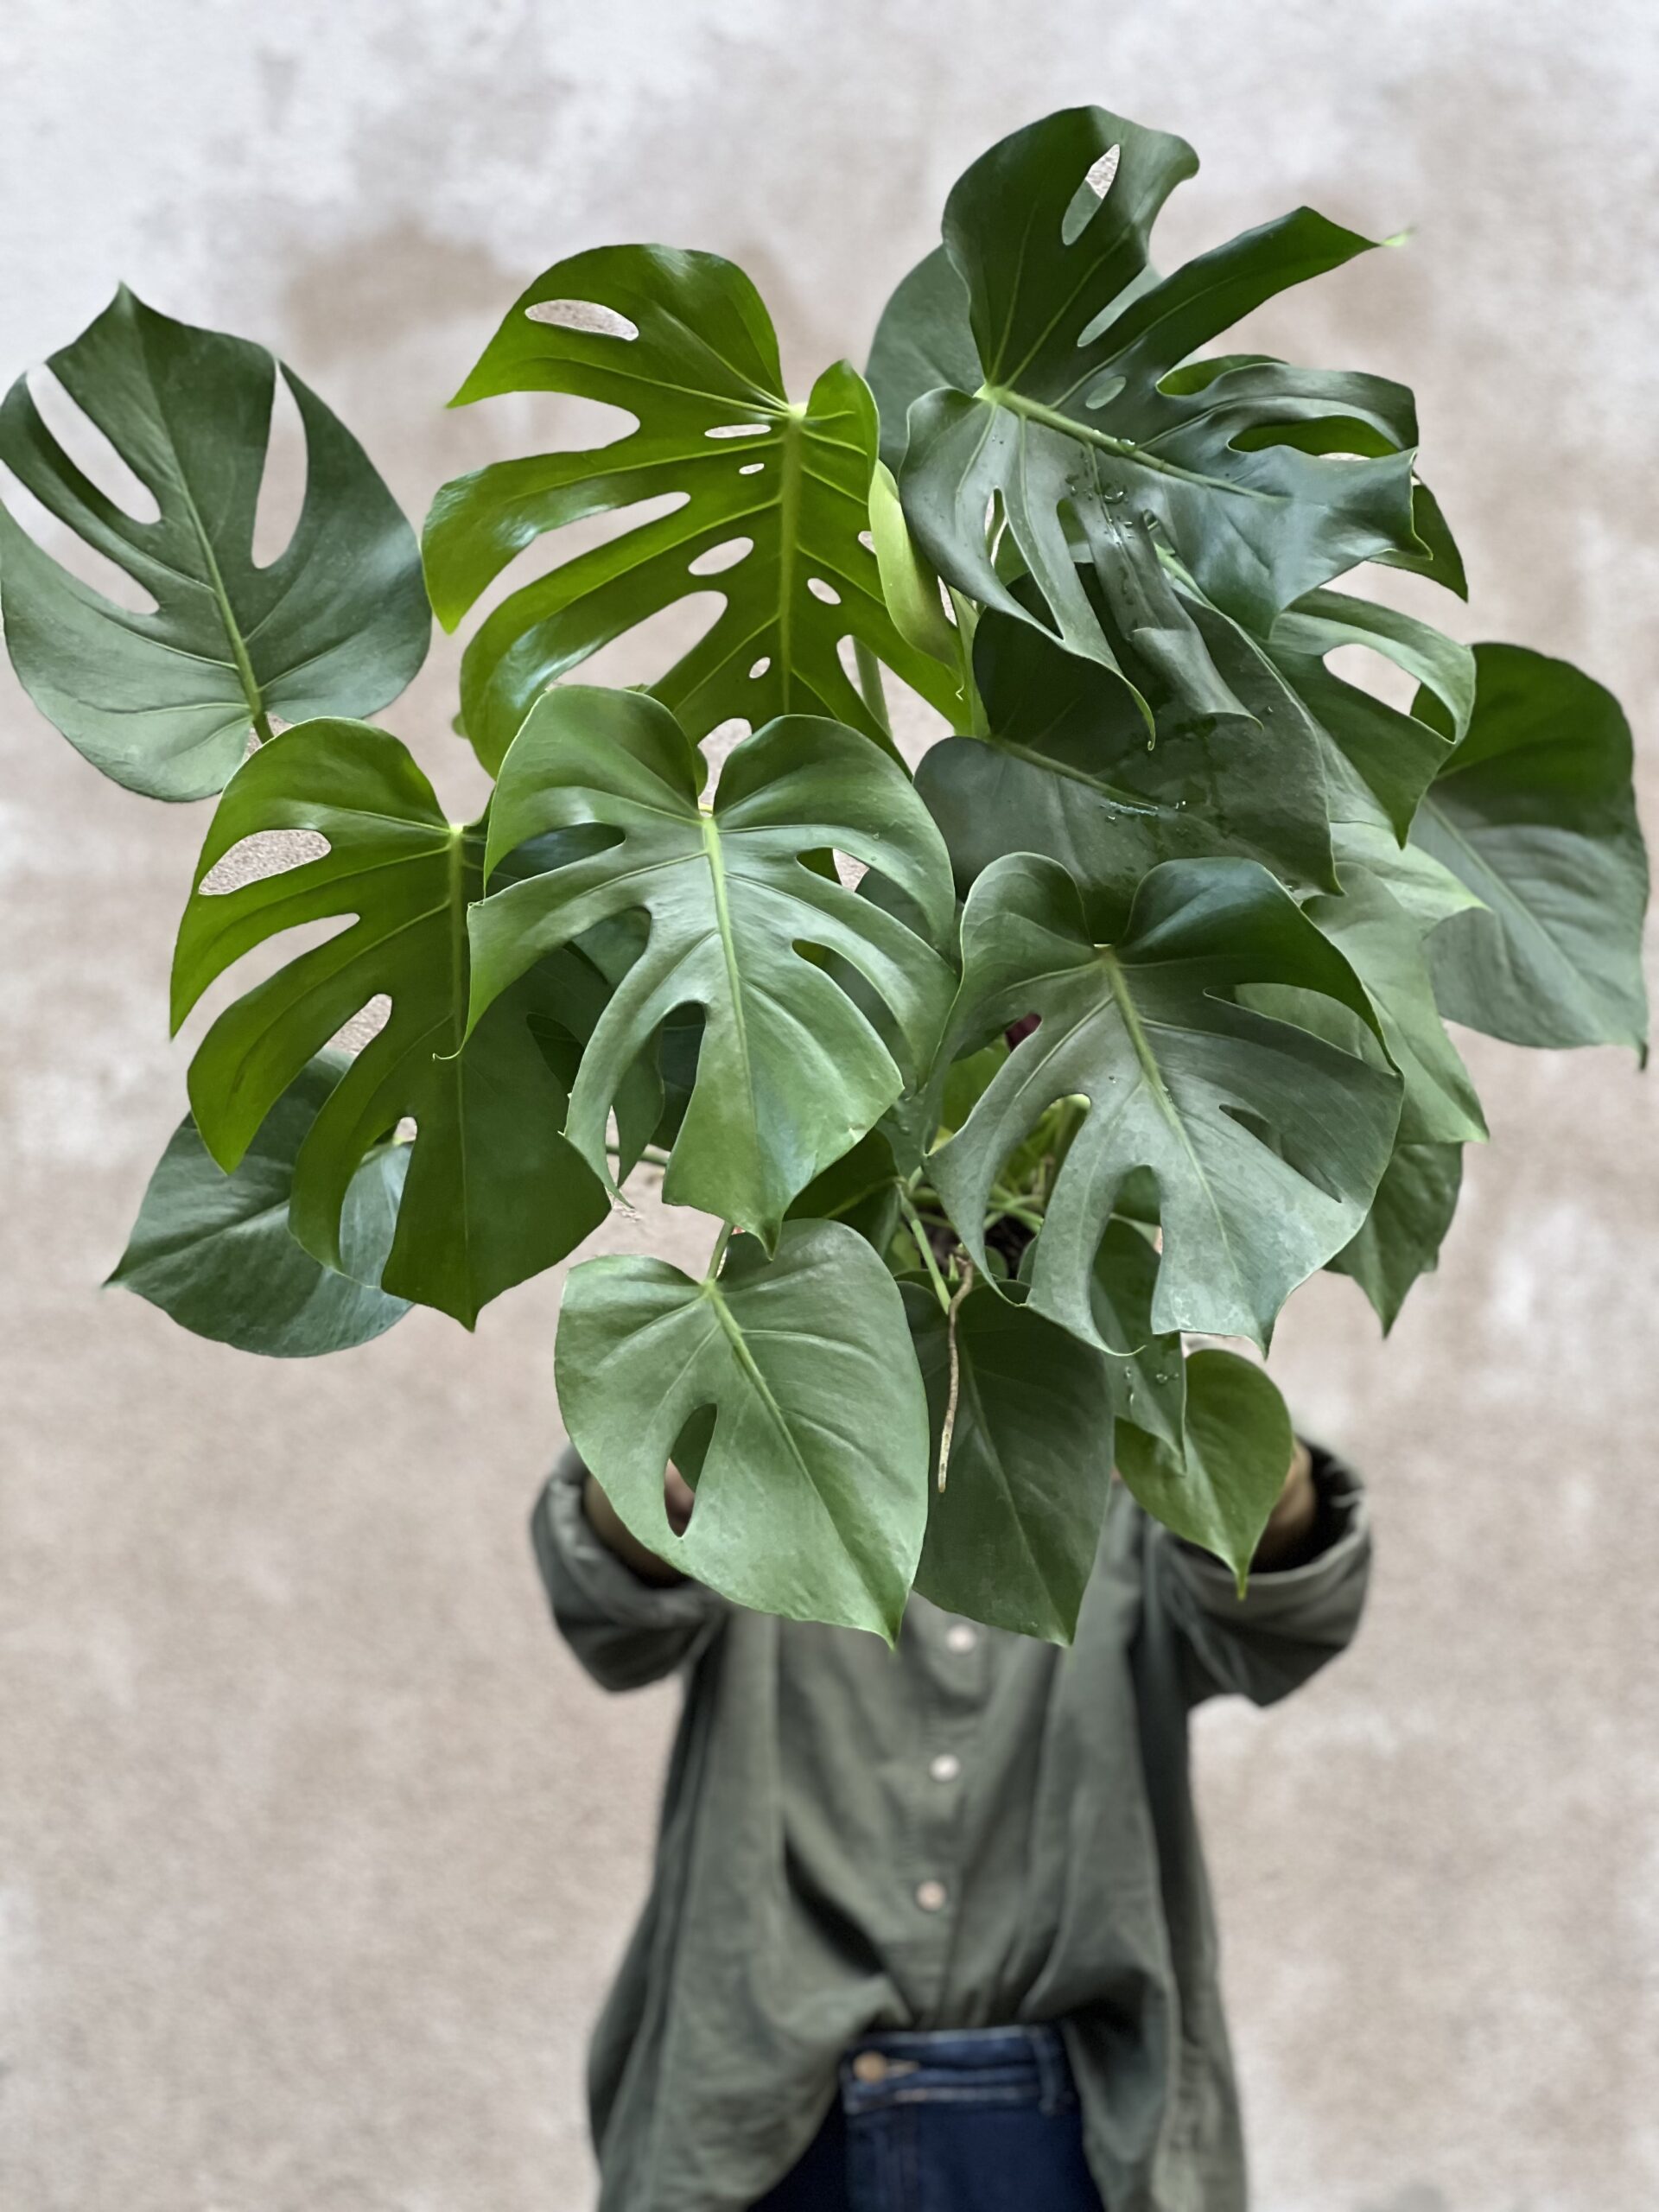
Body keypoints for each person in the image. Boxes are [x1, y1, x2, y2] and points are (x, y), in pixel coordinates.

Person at [533, 1421, 1369, 2212]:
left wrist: (1247, 1465)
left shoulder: (1122, 1451)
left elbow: (1280, 1613)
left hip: (1073, 2108)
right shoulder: (779, 1411)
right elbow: (612, 1615)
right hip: (759, 2103)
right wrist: (657, 1470)